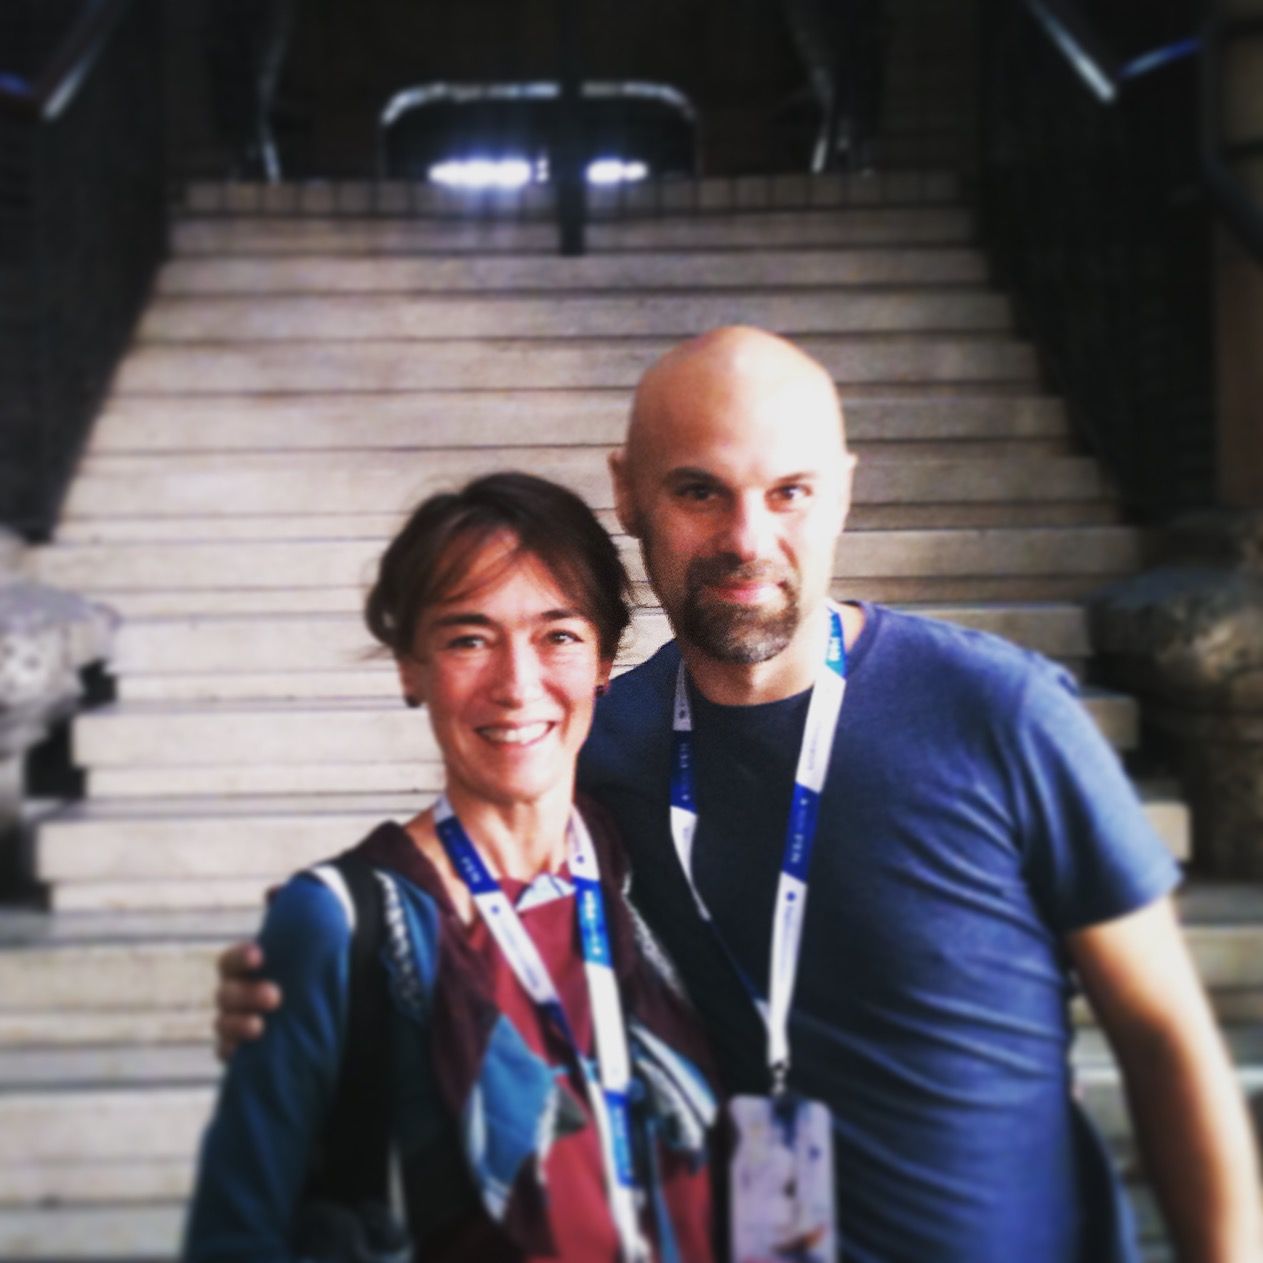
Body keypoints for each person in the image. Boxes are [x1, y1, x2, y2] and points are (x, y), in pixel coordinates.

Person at [216, 328, 1262, 1262]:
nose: (747, 538)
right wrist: (313, 992)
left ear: (843, 491)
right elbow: (476, 918)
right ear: (628, 492)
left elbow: (1165, 1036)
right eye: (699, 490)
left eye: (788, 492)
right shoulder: (595, 748)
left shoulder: (1002, 714)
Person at [186, 473, 718, 1263]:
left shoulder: (642, 867)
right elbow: (237, 1235)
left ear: (604, 660)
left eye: (557, 635)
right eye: (469, 638)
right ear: (411, 666)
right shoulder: (339, 924)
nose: (516, 684)